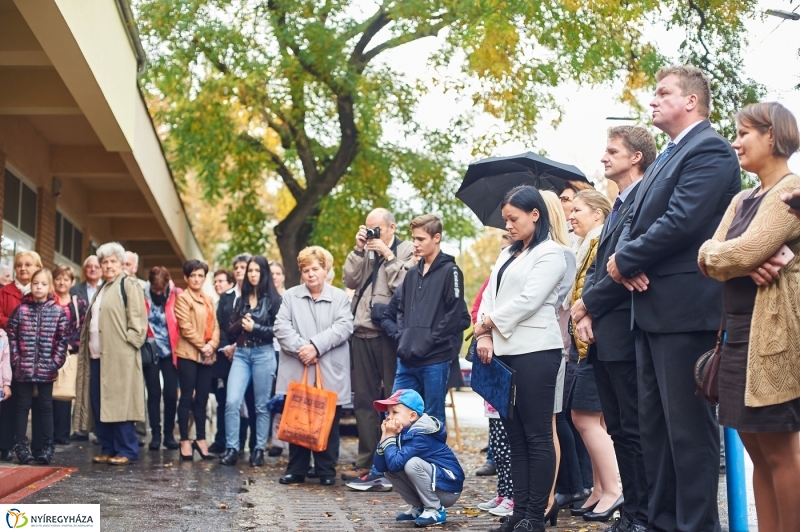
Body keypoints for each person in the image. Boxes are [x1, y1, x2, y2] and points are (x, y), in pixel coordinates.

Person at [607, 65, 741, 532]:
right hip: (648, 312)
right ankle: (663, 524)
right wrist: (626, 262)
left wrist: (627, 259)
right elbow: (634, 221)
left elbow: (683, 220)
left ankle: (697, 526)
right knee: (656, 433)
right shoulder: (667, 155)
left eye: (663, 93)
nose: (653, 100)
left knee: (689, 435)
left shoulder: (711, 150)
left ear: (691, 101)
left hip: (687, 311)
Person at [698, 102, 800, 532]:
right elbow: (708, 255)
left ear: (772, 137)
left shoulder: (789, 194)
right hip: (737, 335)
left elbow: (736, 253)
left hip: (773, 339)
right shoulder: (744, 198)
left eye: (744, 133)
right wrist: (730, 259)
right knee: (757, 451)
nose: (735, 142)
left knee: (781, 452)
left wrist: (731, 258)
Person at [571, 125, 656, 532]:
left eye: (612, 151)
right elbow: (602, 269)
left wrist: (587, 304)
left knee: (634, 429)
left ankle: (641, 515)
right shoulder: (617, 203)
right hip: (603, 331)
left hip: (627, 329)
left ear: (635, 156)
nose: (604, 157)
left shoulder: (643, 199)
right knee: (619, 428)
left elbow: (625, 267)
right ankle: (631, 512)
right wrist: (587, 312)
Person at [475, 185, 567, 532]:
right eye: (505, 220)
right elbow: (489, 296)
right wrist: (483, 331)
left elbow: (529, 300)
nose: (508, 226)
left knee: (538, 435)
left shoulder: (552, 253)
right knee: (515, 436)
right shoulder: (508, 253)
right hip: (504, 353)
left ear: (535, 215)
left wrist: (487, 323)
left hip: (536, 352)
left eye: (513, 219)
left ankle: (535, 514)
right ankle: (519, 511)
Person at [342, 208, 415, 488]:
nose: (373, 234)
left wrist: (388, 254)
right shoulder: (366, 251)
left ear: (392, 227)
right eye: (368, 229)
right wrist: (359, 250)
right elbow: (350, 280)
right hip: (362, 333)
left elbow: (406, 285)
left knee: (395, 401)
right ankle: (366, 462)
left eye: (378, 229)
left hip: (388, 334)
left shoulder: (407, 249)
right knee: (364, 400)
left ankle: (394, 463)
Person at [274, 246, 354, 486]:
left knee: (328, 420)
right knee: (297, 417)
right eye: (306, 270)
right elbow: (280, 326)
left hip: (329, 368)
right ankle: (296, 469)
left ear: (325, 270)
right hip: (299, 367)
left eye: (315, 269)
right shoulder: (290, 295)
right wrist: (303, 349)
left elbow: (344, 327)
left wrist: (316, 347)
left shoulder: (339, 296)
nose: (311, 274)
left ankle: (326, 470)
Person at [565, 190, 622, 523]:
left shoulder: (598, 245)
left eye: (578, 210)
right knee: (593, 419)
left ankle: (614, 489)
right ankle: (601, 488)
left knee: (584, 418)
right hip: (584, 344)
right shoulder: (583, 246)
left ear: (598, 215)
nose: (571, 216)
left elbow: (593, 289)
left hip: (592, 343)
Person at [73, 242, 148, 466]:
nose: (108, 266)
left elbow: (138, 321)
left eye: (112, 262)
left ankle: (127, 449)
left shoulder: (128, 284)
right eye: (104, 262)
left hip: (120, 357)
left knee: (120, 404)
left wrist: (129, 345)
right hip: (98, 357)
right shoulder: (102, 288)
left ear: (121, 263)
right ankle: (108, 448)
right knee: (100, 403)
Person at [392, 214, 467, 424]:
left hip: (435, 360)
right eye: (414, 239)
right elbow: (400, 309)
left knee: (432, 419)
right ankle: (401, 457)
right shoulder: (412, 273)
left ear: (436, 238)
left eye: (421, 239)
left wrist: (429, 341)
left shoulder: (450, 271)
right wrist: (403, 337)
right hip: (406, 360)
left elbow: (455, 314)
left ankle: (430, 458)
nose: (415, 244)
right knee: (396, 414)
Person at [220, 256, 282, 467]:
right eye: (250, 271)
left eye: (257, 270)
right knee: (232, 401)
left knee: (261, 405)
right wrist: (241, 322)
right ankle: (232, 448)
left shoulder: (273, 300)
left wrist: (254, 327)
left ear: (264, 272)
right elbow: (230, 330)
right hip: (241, 354)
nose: (253, 274)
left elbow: (277, 331)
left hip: (264, 354)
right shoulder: (241, 299)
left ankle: (258, 450)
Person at [373, 389, 465, 528]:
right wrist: (384, 437)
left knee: (412, 464)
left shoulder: (422, 435)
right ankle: (419, 508)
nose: (389, 417)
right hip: (435, 485)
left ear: (412, 416)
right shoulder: (402, 430)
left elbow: (395, 463)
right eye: (388, 413)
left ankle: (435, 510)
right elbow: (382, 467)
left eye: (395, 412)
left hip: (448, 489)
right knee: (389, 470)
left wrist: (390, 437)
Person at [8, 269, 69, 464]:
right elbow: (12, 336)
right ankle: (20, 446)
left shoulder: (58, 312)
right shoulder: (21, 310)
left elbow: (62, 340)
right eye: (35, 284)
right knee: (22, 406)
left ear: (49, 286)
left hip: (47, 369)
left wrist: (55, 363)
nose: (38, 287)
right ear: (31, 286)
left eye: (43, 284)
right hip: (23, 368)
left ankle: (47, 447)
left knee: (45, 407)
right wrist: (16, 360)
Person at [471, 233, 515, 479]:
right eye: (500, 249)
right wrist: (484, 328)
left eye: (507, 248)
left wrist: (491, 323)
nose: (503, 254)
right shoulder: (492, 280)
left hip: (509, 350)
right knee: (494, 417)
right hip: (492, 354)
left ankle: (510, 486)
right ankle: (494, 462)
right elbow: (477, 309)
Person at [173, 260, 219, 460]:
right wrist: (204, 347)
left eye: (200, 275)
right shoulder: (183, 299)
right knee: (186, 398)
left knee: (202, 398)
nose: (197, 279)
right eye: (193, 275)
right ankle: (184, 440)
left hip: (207, 355)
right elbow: (186, 328)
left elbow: (216, 326)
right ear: (186, 278)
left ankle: (201, 439)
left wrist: (212, 345)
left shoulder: (209, 299)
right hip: (188, 355)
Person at [0, 250, 43, 461]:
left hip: (35, 355)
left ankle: (37, 446)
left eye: (28, 264)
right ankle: (6, 445)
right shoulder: (5, 291)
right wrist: (19, 325)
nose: (23, 268)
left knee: (34, 401)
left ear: (38, 268)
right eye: (19, 265)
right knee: (10, 400)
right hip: (10, 354)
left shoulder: (41, 291)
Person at [210, 253, 255, 455]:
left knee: (249, 401)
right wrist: (226, 347)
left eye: (243, 267)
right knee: (226, 400)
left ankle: (247, 443)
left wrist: (238, 346)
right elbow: (218, 324)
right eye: (236, 267)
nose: (239, 270)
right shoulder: (226, 297)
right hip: (225, 356)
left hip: (247, 352)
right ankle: (224, 442)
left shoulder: (255, 296)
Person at [143, 266, 182, 451]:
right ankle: (156, 435)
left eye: (161, 289)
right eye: (155, 289)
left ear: (167, 284)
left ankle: (169, 435)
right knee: (153, 393)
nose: (158, 293)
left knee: (170, 394)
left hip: (171, 352)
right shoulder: (142, 295)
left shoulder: (177, 295)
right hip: (151, 351)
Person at [51, 265, 88, 445]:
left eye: (66, 279)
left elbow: (82, 329)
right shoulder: (48, 300)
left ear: (72, 282)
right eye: (58, 278)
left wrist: (70, 345)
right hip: (48, 353)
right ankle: (47, 434)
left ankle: (62, 435)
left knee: (64, 394)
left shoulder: (78, 303)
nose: (62, 282)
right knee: (46, 395)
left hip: (69, 353)